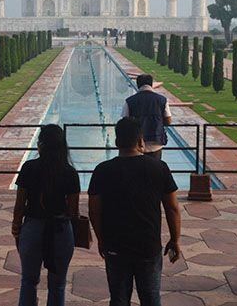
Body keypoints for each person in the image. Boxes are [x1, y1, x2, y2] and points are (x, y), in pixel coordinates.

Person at [88, 117, 181, 306]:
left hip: (116, 244)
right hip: (148, 244)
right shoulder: (159, 168)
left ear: (116, 143)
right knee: (151, 298)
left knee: (119, 299)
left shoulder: (103, 170)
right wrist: (175, 239)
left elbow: (94, 211)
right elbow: (172, 208)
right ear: (141, 142)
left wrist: (101, 238)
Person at [12, 125, 80, 306]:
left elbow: (19, 206)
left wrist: (17, 230)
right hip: (60, 229)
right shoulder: (70, 172)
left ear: (41, 144)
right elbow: (74, 211)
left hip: (33, 227)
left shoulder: (29, 168)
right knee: (57, 285)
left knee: (29, 281)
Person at [121, 74, 172, 160]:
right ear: (151, 84)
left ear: (138, 85)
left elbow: (125, 121)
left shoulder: (130, 101)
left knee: (138, 171)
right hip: (156, 142)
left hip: (136, 143)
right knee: (154, 170)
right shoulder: (162, 100)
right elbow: (168, 121)